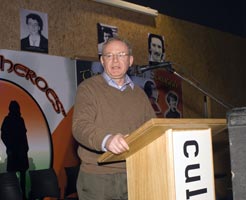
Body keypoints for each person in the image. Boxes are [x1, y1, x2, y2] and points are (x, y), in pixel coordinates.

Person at [72, 37, 156, 200]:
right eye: (109, 55)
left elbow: (151, 128)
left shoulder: (139, 93)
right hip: (98, 179)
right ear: (102, 61)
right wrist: (107, 140)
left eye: (121, 54)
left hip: (134, 174)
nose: (115, 60)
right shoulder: (88, 88)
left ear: (130, 60)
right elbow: (80, 126)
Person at [1, 100, 29, 200]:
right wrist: (10, 147)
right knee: (12, 176)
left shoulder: (20, 120)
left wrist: (26, 148)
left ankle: (22, 196)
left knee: (21, 177)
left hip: (20, 152)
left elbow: (24, 136)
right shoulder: (7, 120)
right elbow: (3, 136)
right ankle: (11, 196)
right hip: (14, 152)